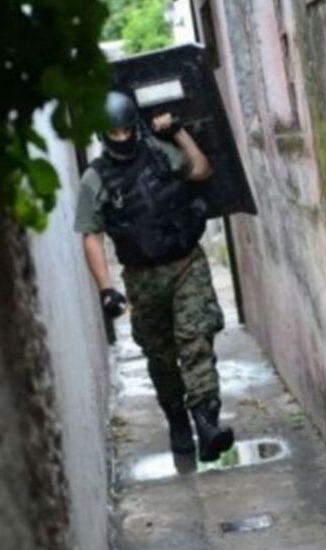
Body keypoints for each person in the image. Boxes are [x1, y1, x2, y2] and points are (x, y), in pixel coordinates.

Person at [73, 91, 234, 462]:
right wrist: (106, 289)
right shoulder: (95, 178)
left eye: (126, 129)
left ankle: (207, 423)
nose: (122, 137)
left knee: (196, 339)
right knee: (161, 356)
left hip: (186, 264)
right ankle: (178, 421)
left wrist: (178, 132)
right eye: (114, 132)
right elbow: (91, 235)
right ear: (103, 134)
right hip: (143, 278)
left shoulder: (159, 151)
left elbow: (201, 170)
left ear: (135, 126)